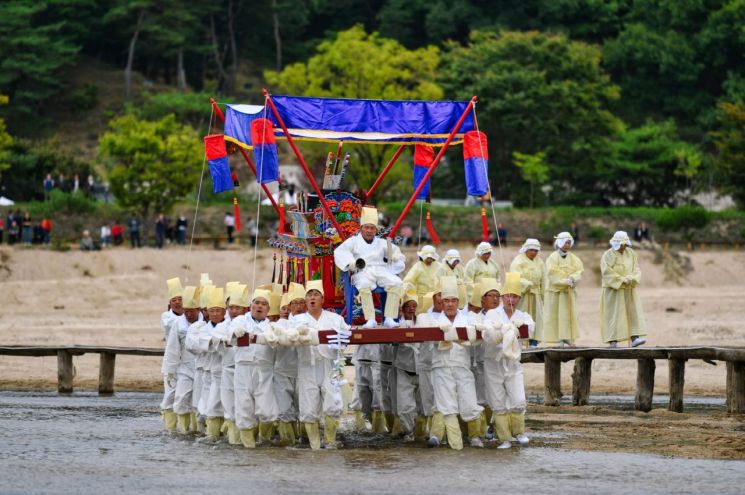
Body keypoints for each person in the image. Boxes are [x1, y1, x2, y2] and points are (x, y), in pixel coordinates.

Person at [285, 280, 351, 449]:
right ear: (306, 300)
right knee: (308, 407)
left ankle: (330, 442)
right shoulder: (296, 320)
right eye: (309, 295)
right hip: (307, 366)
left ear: (322, 299)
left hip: (331, 366)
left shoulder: (336, 319)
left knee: (333, 404)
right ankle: (315, 446)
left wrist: (340, 342)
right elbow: (289, 338)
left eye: (316, 295)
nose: (312, 298)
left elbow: (348, 336)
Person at [427, 277, 483, 450]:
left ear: (458, 302)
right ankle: (455, 444)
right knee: (447, 406)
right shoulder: (433, 321)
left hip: (462, 366)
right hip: (441, 367)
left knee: (470, 402)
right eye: (446, 301)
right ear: (441, 303)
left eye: (453, 301)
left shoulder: (469, 319)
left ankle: (474, 437)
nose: (450, 304)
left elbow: (482, 334)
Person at [482, 272, 534, 449]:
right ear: (502, 297)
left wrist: (515, 327)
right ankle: (504, 438)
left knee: (518, 398)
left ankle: (519, 432)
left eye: (514, 296)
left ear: (518, 298)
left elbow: (530, 329)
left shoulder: (522, 316)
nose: (510, 299)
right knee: (498, 400)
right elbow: (488, 334)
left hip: (512, 363)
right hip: (493, 362)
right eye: (507, 296)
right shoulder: (491, 314)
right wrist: (502, 330)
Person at [334, 206, 406, 328]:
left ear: (375, 230)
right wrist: (352, 263)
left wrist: (394, 257)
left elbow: (396, 252)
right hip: (363, 271)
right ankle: (370, 319)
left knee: (396, 282)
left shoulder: (382, 242)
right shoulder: (353, 241)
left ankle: (389, 318)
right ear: (361, 228)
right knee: (364, 285)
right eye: (366, 227)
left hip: (381, 270)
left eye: (372, 228)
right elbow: (340, 252)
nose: (369, 230)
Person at [228, 288, 280, 448]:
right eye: (257, 302)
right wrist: (235, 333)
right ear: (251, 305)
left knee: (266, 411)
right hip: (243, 369)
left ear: (268, 309)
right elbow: (229, 335)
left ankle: (264, 440)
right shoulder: (240, 321)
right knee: (244, 408)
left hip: (263, 371)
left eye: (264, 304)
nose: (259, 306)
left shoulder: (271, 326)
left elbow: (276, 340)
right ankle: (248, 446)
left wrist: (267, 337)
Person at [162, 286, 203, 434]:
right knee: (180, 398)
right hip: (184, 366)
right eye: (186, 311)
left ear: (199, 309)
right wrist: (170, 370)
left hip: (202, 366)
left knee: (199, 401)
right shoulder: (177, 323)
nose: (188, 314)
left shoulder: (205, 323)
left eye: (191, 311)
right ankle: (181, 431)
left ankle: (197, 429)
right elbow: (173, 348)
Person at [271, 282, 306, 445]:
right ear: (289, 307)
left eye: (301, 302)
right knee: (285, 410)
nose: (298, 307)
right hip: (283, 372)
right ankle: (288, 444)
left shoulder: (312, 322)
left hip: (304, 373)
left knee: (305, 410)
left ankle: (305, 441)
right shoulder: (280, 325)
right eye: (294, 303)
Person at [600, 231, 647, 348]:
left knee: (632, 311)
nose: (623, 247)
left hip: (628, 288)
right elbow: (606, 272)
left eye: (624, 244)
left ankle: (634, 337)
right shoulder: (607, 255)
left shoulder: (631, 253)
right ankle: (613, 340)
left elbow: (636, 269)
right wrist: (620, 279)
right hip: (613, 290)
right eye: (621, 245)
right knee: (614, 314)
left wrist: (632, 278)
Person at [539, 232, 584, 346]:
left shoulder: (574, 258)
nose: (567, 245)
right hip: (556, 292)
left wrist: (573, 278)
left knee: (567, 314)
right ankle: (559, 339)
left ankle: (567, 336)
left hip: (568, 292)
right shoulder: (552, 258)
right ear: (559, 243)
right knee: (556, 314)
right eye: (565, 243)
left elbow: (579, 271)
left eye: (569, 243)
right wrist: (564, 281)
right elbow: (552, 273)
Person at [394, 289, 424, 441]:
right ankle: (408, 431)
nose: (411, 309)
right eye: (408, 306)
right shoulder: (396, 324)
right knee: (405, 404)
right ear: (403, 308)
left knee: (424, 402)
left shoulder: (423, 322)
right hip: (404, 368)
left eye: (414, 306)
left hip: (422, 368)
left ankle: (422, 431)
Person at [159, 278, 184, 431]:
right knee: (170, 395)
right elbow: (173, 325)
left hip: (188, 362)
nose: (177, 302)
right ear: (170, 303)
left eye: (180, 299)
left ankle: (184, 426)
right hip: (172, 362)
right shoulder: (167, 316)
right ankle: (170, 428)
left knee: (184, 396)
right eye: (174, 300)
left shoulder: (191, 317)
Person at [510, 238, 545, 347]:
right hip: (523, 295)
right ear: (526, 249)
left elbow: (543, 279)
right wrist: (526, 283)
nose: (534, 253)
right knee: (522, 317)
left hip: (536, 294)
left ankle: (533, 341)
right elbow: (514, 276)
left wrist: (543, 296)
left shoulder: (539, 262)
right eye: (532, 250)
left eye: (536, 251)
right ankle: (521, 341)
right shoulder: (518, 261)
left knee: (536, 317)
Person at [403, 245, 441, 311]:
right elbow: (407, 281)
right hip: (422, 298)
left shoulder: (438, 265)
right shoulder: (418, 266)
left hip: (436, 298)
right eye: (427, 258)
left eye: (431, 258)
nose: (429, 260)